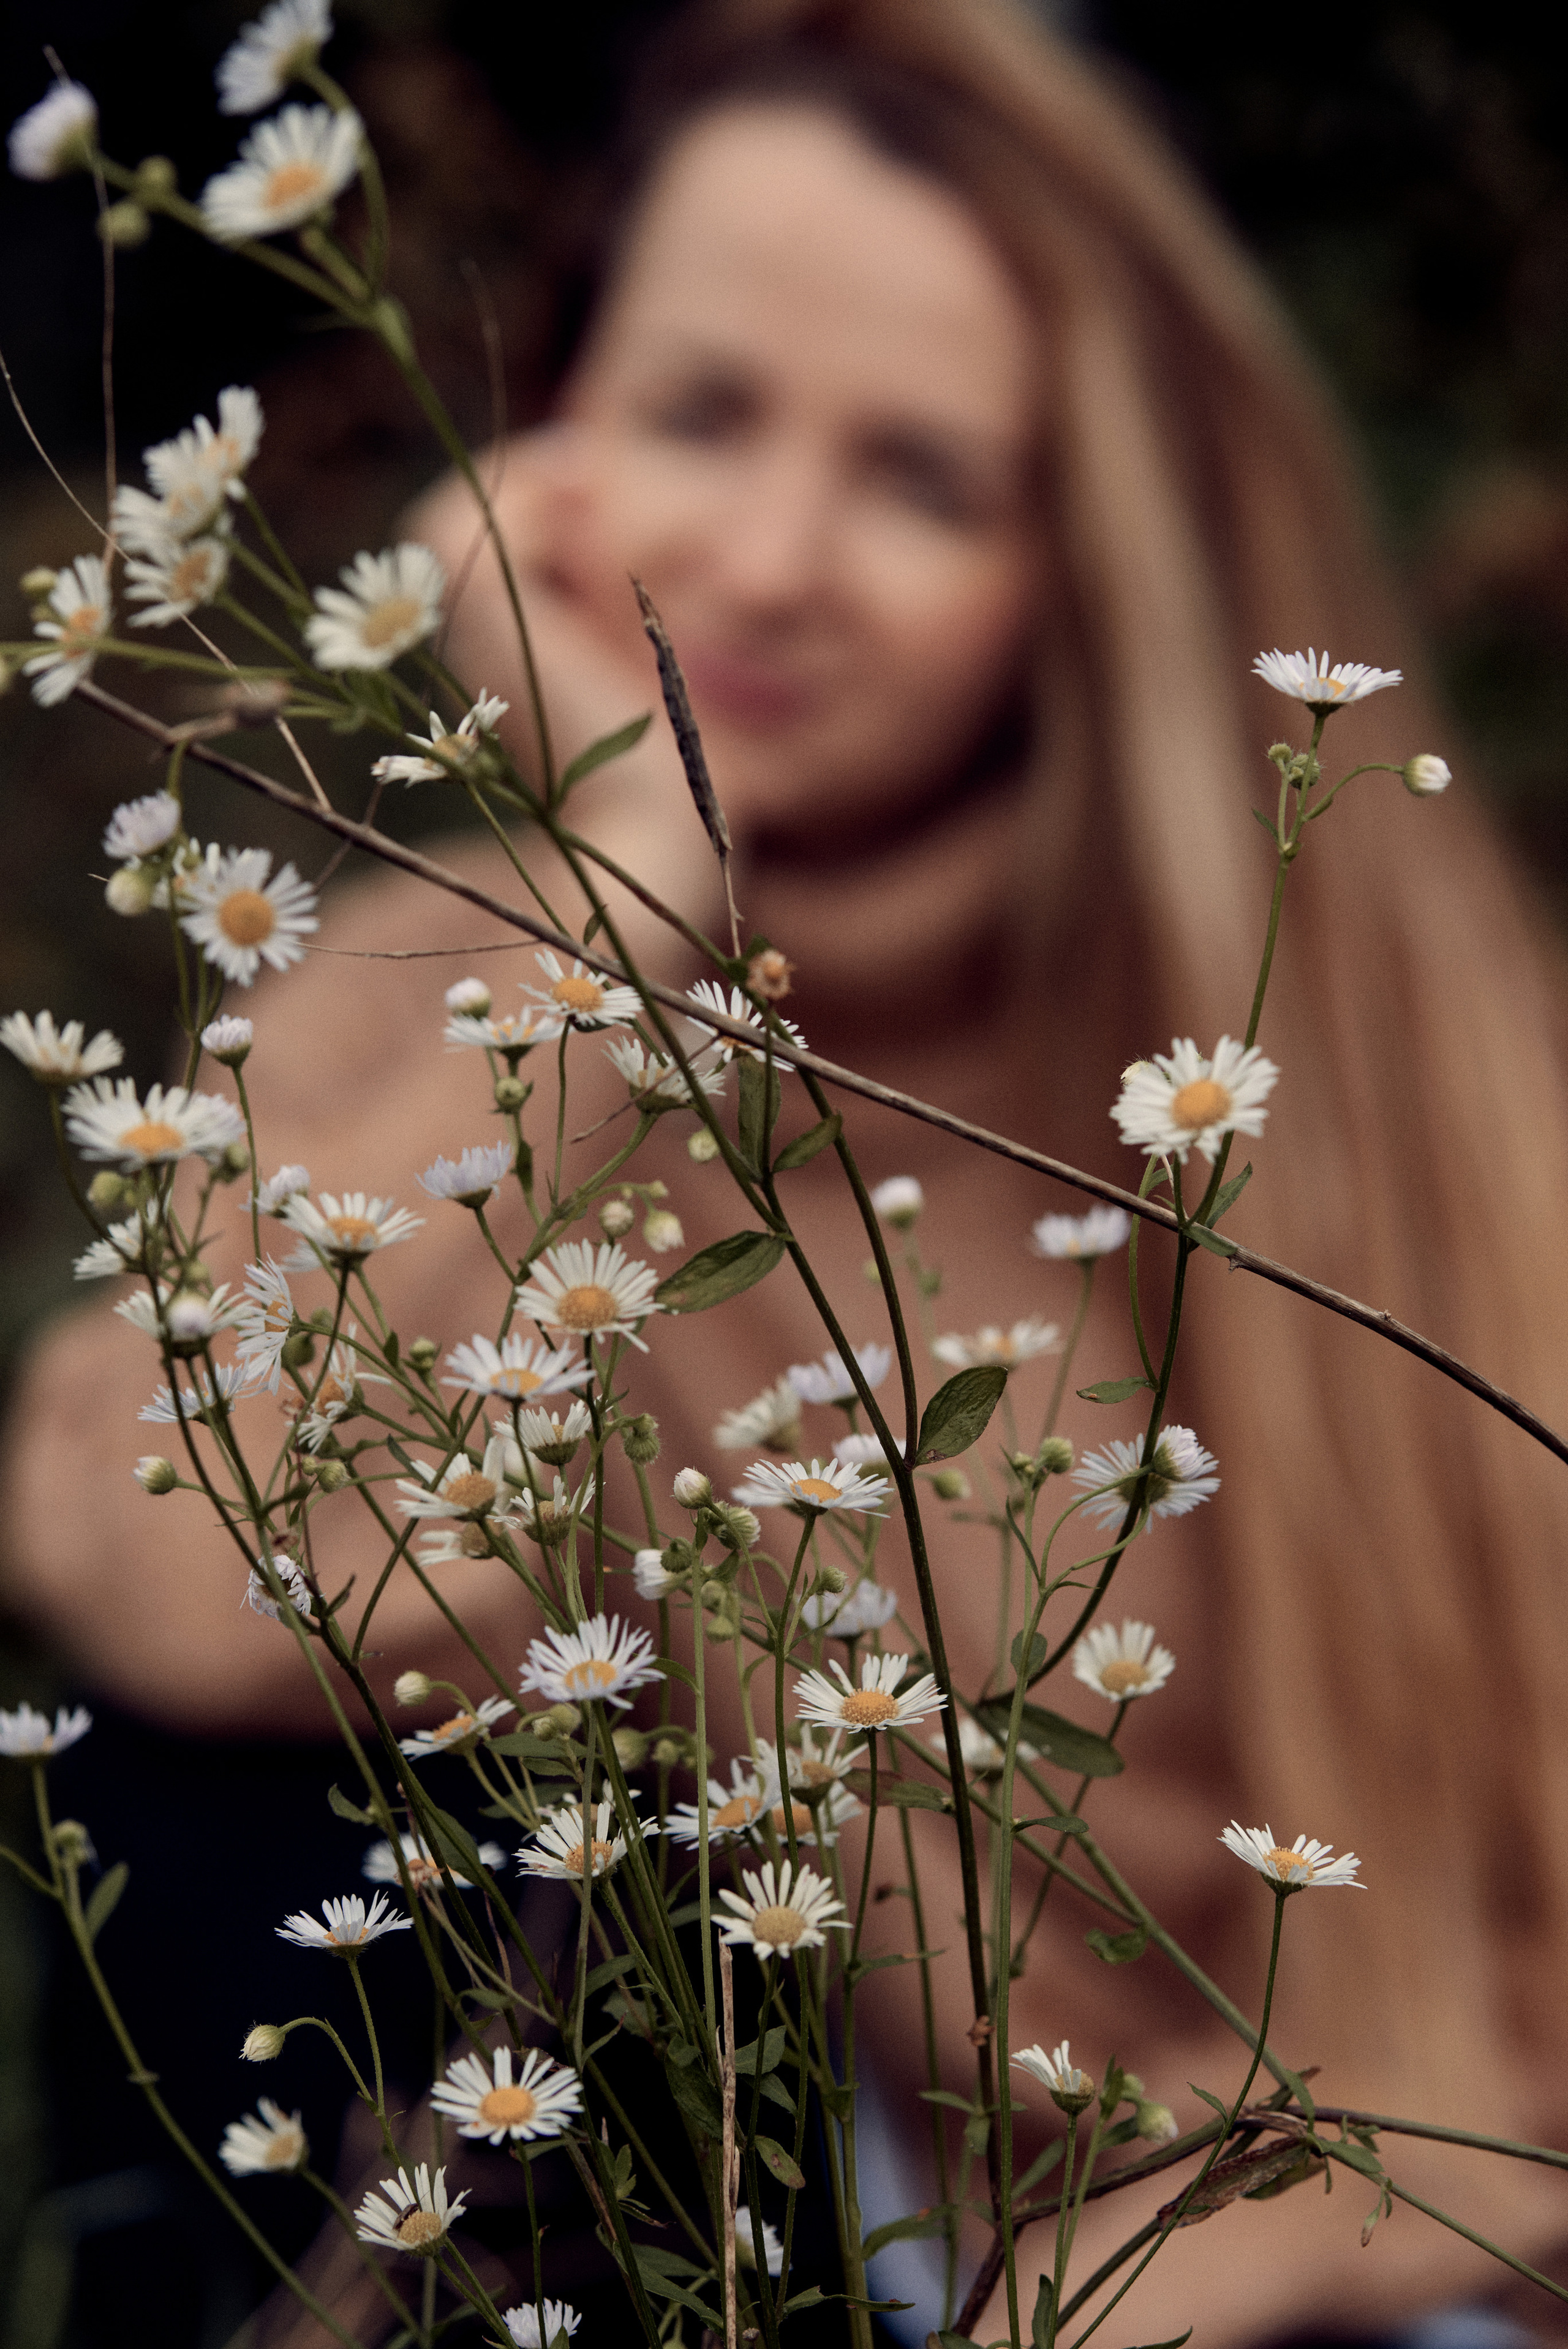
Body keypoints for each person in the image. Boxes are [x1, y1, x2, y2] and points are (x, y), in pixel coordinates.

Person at [8, 0, 1568, 2339]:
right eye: (704, 413)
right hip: (716, 2225)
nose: (771, 557)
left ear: (1083, 558)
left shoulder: (1315, 1056)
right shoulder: (475, 971)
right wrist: (631, 873)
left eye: (923, 479)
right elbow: (170, 1581)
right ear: (553, 429)